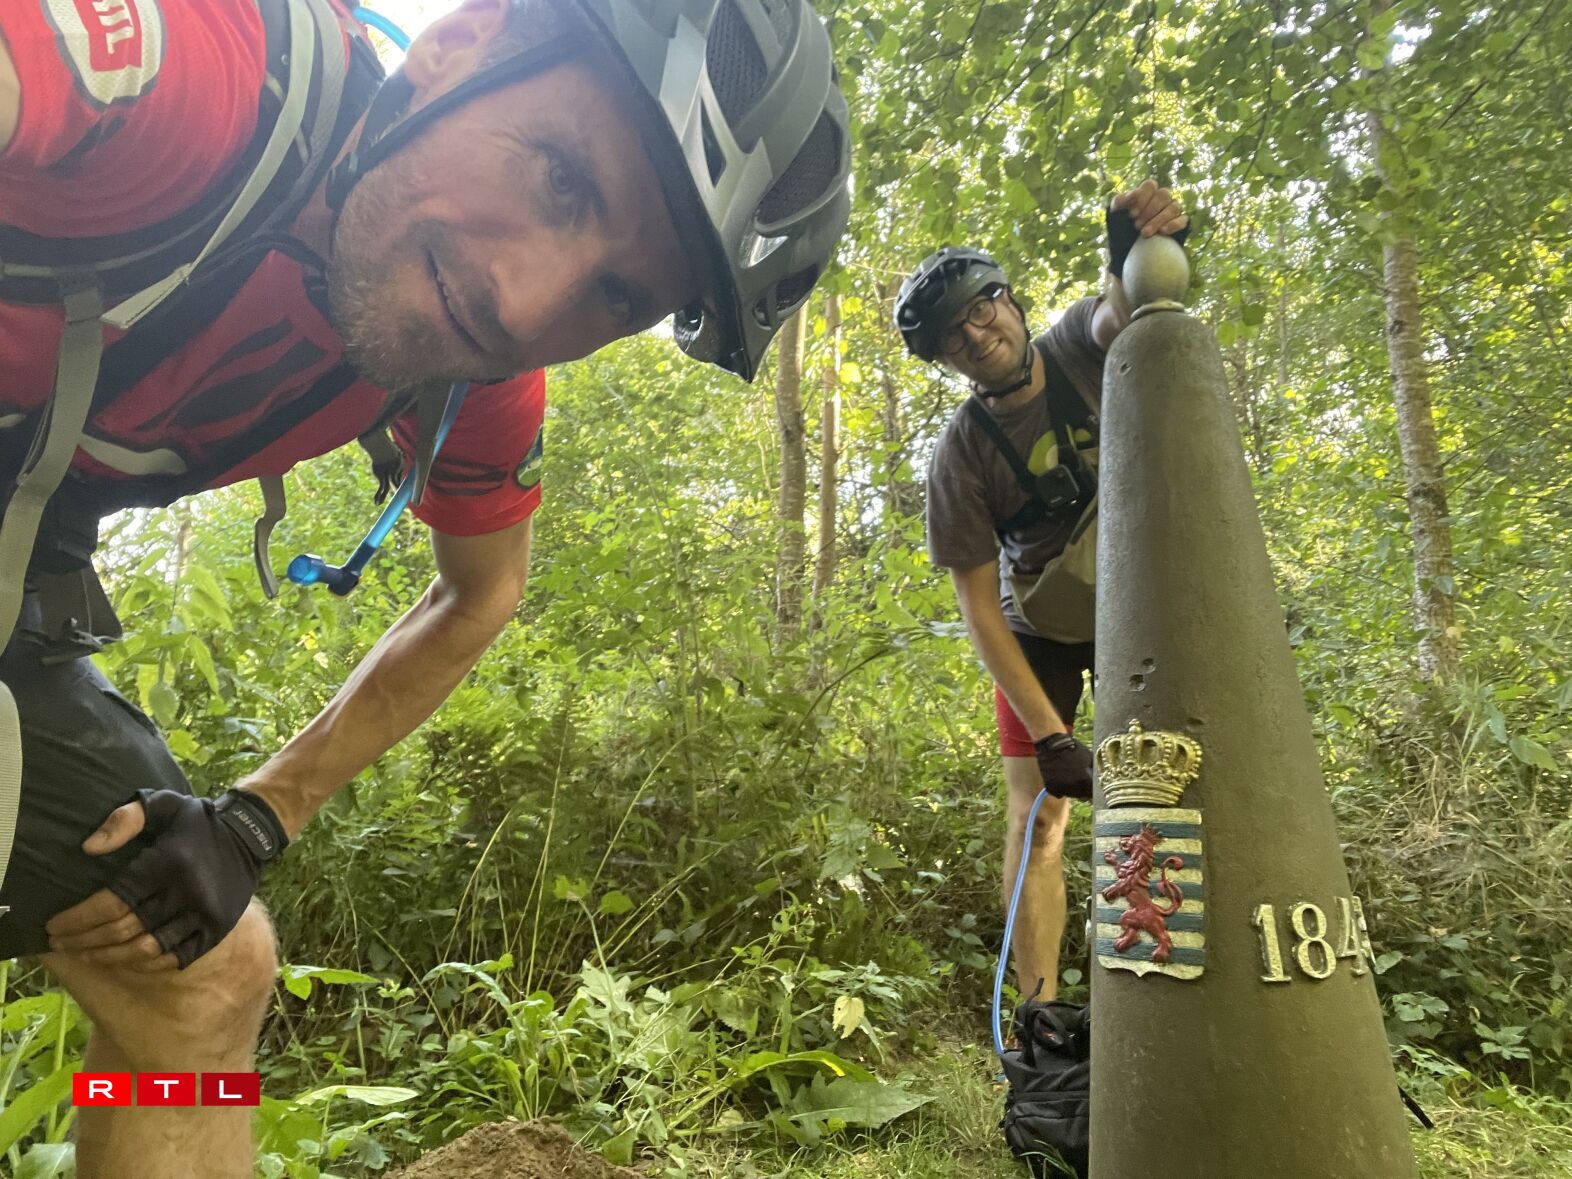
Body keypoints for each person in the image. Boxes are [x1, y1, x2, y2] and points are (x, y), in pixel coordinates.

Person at [0, 1, 849, 1175]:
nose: (528, 303)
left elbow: (480, 593)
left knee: (202, 983)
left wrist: (261, 815)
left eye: (616, 296)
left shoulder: (473, 380)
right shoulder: (203, 71)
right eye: (561, 178)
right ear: (456, 49)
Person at [895, 181, 1188, 1000]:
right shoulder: (960, 456)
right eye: (952, 336)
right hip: (1037, 629)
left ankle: (1170, 988)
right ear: (946, 361)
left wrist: (1135, 247)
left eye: (980, 309)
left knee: (1166, 791)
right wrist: (1051, 735)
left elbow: (1123, 313)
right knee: (1035, 819)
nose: (975, 334)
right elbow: (979, 610)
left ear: (1010, 301)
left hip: (1140, 607)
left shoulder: (1074, 348)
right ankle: (1039, 1016)